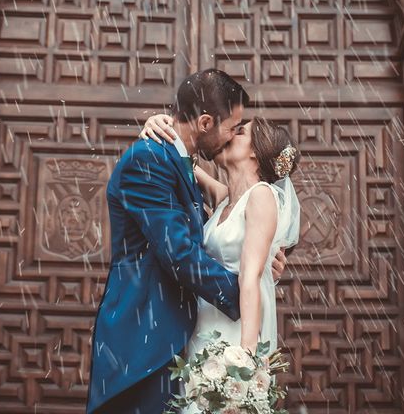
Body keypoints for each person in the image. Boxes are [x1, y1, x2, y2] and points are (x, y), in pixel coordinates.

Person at [86, 69, 287, 414]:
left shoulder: (181, 164)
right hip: (144, 341)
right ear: (206, 122)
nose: (230, 137)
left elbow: (232, 230)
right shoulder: (148, 159)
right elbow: (179, 253)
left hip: (178, 340)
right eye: (232, 127)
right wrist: (247, 292)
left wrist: (264, 267)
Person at [140, 113, 301, 414]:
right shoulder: (226, 199)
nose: (227, 135)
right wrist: (158, 126)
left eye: (239, 132)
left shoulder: (261, 196)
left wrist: (246, 359)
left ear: (256, 151)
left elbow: (250, 278)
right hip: (206, 327)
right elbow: (185, 160)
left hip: (236, 329)